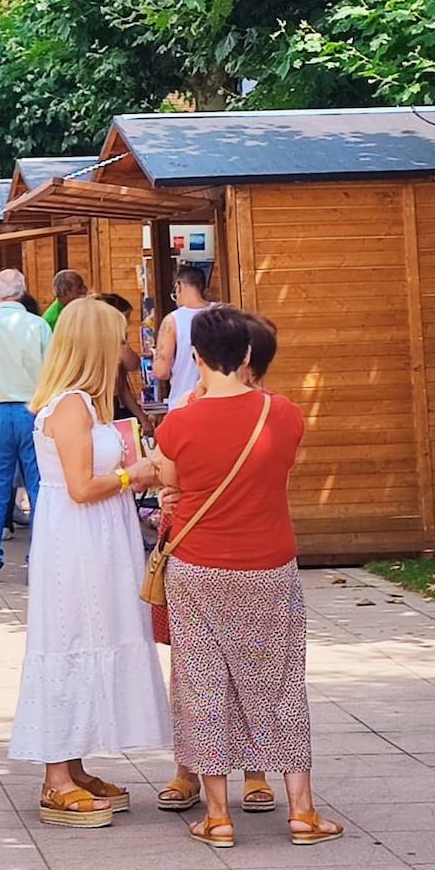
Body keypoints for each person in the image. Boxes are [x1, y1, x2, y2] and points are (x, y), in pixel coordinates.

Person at [153, 306, 341, 849]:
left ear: (196, 358)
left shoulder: (179, 423)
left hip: (197, 566)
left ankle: (217, 814)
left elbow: (171, 481)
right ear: (250, 356)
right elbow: (283, 467)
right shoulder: (283, 414)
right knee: (281, 684)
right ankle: (303, 811)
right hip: (270, 565)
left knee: (203, 683)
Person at [11, 298, 168, 828]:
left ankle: (72, 765)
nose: (126, 349)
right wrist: (135, 475)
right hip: (79, 538)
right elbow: (81, 487)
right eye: (118, 337)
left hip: (96, 536)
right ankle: (56, 776)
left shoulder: (82, 403)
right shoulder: (73, 406)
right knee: (72, 639)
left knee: (91, 635)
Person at [157, 308, 277, 815]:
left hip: (235, 552)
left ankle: (253, 769)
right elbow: (174, 480)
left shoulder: (270, 412)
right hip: (199, 546)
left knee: (241, 665)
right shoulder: (187, 409)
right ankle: (189, 768)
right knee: (194, 669)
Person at [0, 269, 50, 585]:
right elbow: (49, 368)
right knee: (39, 485)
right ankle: (40, 556)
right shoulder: (39, 325)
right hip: (32, 409)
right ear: (23, 289)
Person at [153, 264, 212, 406]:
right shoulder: (223, 314)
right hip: (219, 400)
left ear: (179, 286)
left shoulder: (172, 321)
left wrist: (156, 355)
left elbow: (161, 372)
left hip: (183, 402)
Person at [96, 293, 153, 433]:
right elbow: (132, 363)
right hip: (101, 410)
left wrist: (142, 418)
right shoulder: (105, 345)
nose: (128, 323)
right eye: (126, 317)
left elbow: (123, 386)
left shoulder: (116, 344)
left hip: (113, 406)